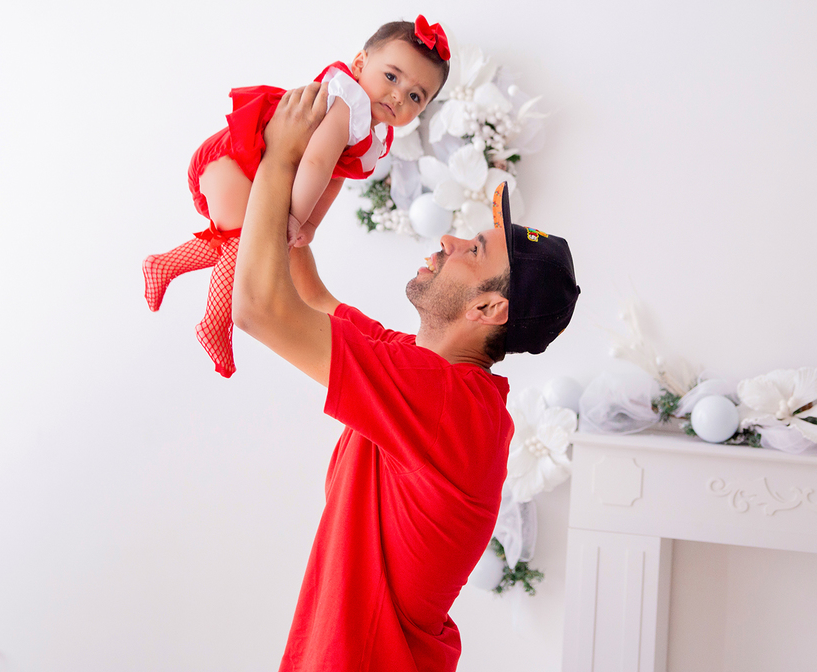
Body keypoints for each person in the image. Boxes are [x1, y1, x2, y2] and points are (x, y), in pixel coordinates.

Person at [232, 82, 580, 672]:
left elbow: (259, 308)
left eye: (473, 249)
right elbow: (309, 295)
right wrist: (322, 163)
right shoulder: (433, 380)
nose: (446, 239)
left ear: (489, 309)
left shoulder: (443, 402)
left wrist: (280, 158)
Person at [142, 16, 452, 377]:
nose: (399, 95)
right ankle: (215, 321)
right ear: (359, 64)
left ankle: (162, 266)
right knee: (246, 243)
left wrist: (311, 223)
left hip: (252, 173)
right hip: (237, 159)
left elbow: (335, 177)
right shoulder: (346, 102)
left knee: (235, 242)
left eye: (415, 96)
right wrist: (293, 217)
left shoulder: (374, 134)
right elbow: (318, 161)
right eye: (391, 76)